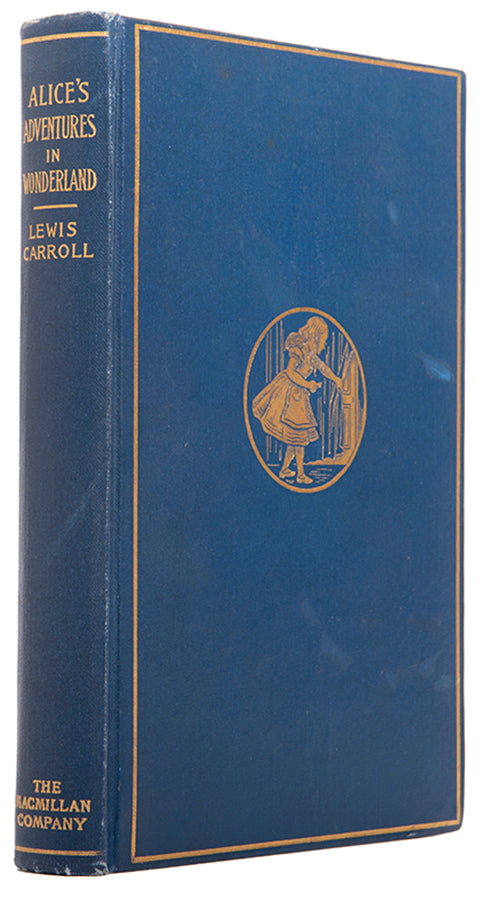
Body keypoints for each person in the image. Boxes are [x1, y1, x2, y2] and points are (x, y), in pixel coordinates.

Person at [252, 316, 342, 484]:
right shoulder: (300, 349)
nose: (324, 343)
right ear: (316, 336)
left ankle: (284, 469)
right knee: (299, 438)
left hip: (299, 396)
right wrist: (308, 384)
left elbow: (323, 368)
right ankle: (300, 474)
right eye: (323, 339)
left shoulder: (312, 355)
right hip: (292, 396)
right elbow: (290, 372)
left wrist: (336, 379)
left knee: (295, 438)